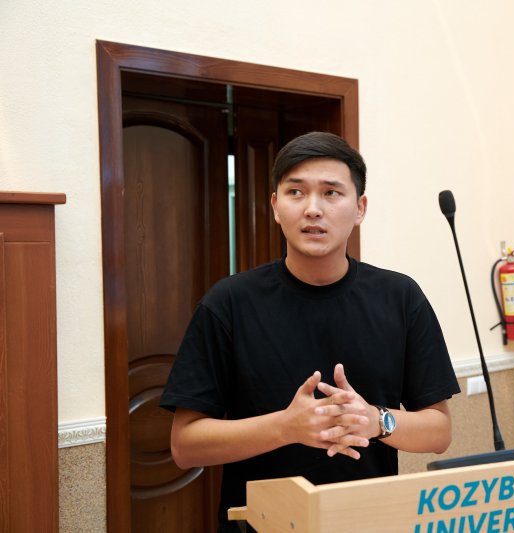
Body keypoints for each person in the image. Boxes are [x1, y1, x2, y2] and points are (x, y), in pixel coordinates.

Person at [160, 131, 461, 532]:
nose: (313, 209)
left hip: (367, 523)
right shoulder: (228, 303)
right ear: (275, 206)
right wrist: (286, 427)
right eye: (296, 192)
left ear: (360, 208)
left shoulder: (400, 297)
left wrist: (376, 420)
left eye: (331, 193)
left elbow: (439, 432)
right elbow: (185, 445)